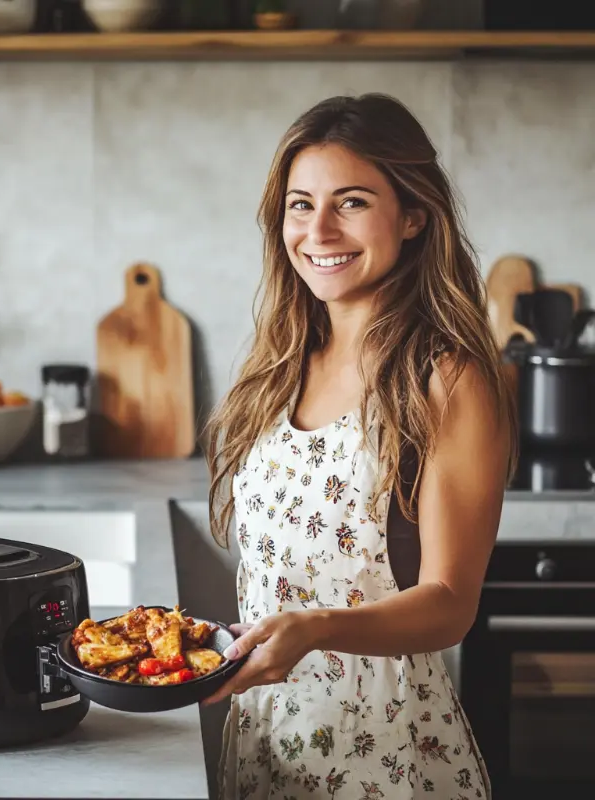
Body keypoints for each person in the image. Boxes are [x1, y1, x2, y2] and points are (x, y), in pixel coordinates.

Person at [203, 93, 517, 800]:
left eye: (350, 202)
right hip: (266, 744)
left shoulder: (445, 378)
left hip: (389, 756)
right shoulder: (278, 366)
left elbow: (450, 603)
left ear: (412, 217)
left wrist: (313, 629)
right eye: (299, 204)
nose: (318, 229)